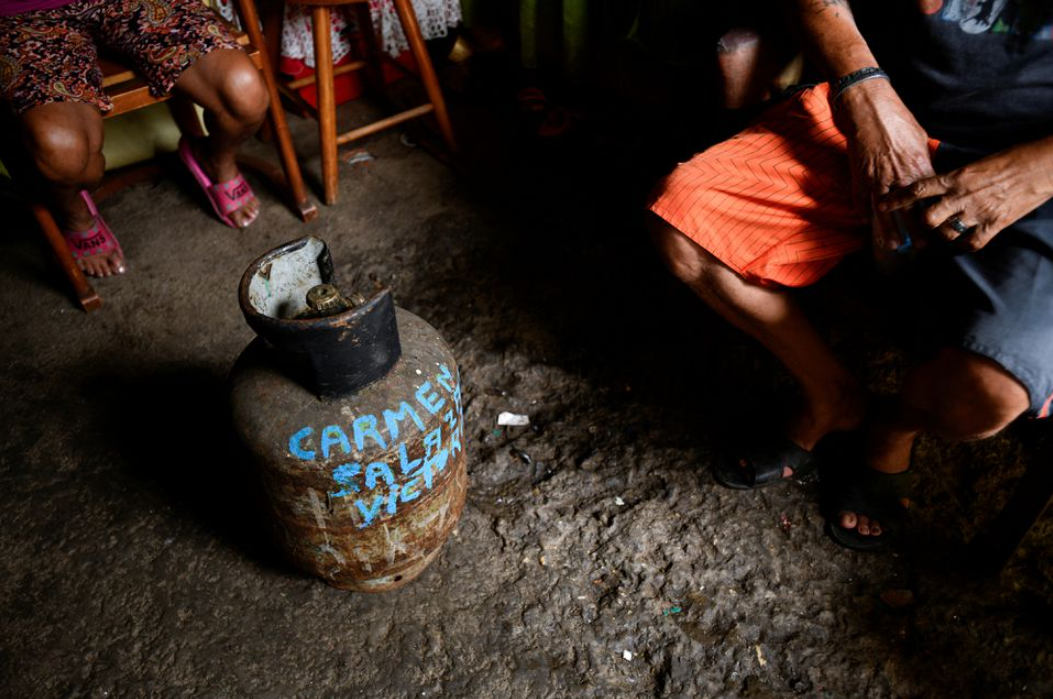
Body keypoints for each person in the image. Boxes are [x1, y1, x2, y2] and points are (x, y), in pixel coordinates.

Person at [647, 0, 1053, 550]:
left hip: (1043, 169)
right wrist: (865, 92)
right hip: (894, 104)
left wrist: (1035, 170)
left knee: (990, 392)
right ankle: (832, 394)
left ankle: (894, 426)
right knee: (686, 227)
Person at [0, 0, 270, 278]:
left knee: (245, 94)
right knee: (62, 152)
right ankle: (73, 213)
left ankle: (215, 160)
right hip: (21, 18)